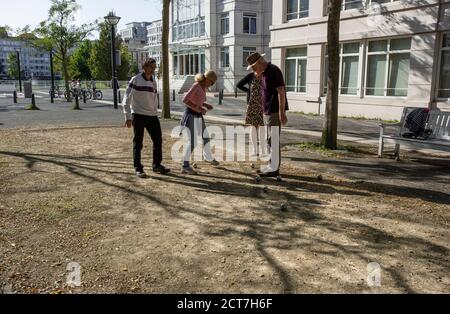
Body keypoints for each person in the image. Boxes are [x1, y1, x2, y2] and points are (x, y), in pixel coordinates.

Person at [123, 58, 170, 178]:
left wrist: (155, 112)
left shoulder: (153, 81)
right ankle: (138, 168)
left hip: (152, 116)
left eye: (154, 67)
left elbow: (153, 99)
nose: (153, 69)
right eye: (151, 67)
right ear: (144, 67)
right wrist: (128, 117)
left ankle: (157, 165)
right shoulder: (136, 79)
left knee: (158, 140)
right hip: (138, 115)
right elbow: (126, 98)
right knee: (138, 143)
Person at [245, 52, 288, 177]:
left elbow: (281, 91)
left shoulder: (273, 70)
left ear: (259, 63)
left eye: (253, 67)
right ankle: (271, 166)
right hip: (267, 111)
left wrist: (281, 112)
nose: (253, 70)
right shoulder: (263, 73)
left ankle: (274, 168)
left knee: (272, 139)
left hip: (273, 111)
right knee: (269, 139)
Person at [180, 70, 220, 175]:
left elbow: (197, 99)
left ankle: (208, 157)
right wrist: (199, 108)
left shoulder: (202, 88)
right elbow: (185, 99)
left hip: (198, 115)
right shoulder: (196, 85)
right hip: (190, 116)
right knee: (193, 141)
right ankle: (185, 166)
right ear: (207, 79)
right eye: (212, 82)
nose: (211, 85)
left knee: (205, 137)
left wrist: (205, 105)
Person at [237, 66, 265, 157]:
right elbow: (239, 85)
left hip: (264, 104)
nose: (254, 69)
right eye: (253, 67)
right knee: (253, 125)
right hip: (252, 104)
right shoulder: (250, 76)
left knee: (262, 126)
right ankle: (255, 149)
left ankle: (263, 150)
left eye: (255, 66)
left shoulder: (265, 75)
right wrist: (248, 90)